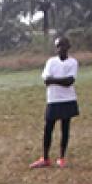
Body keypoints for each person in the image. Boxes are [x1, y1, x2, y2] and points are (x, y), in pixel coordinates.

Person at [31, 36, 79, 169]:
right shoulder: (51, 62)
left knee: (65, 129)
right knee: (48, 129)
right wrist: (60, 81)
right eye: (57, 46)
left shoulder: (73, 62)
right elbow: (46, 80)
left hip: (68, 99)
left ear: (68, 47)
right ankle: (45, 158)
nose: (60, 49)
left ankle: (62, 157)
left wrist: (54, 80)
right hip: (53, 99)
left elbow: (70, 81)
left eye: (62, 45)